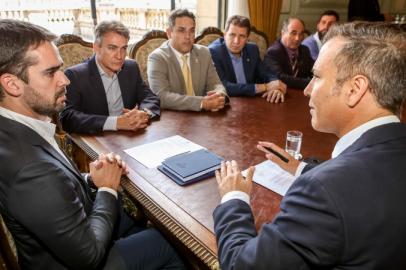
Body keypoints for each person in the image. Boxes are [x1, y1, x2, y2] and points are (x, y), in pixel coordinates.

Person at [213, 22, 406, 269]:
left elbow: (241, 264)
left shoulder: (322, 192)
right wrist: (301, 167)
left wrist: (234, 197)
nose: (306, 90)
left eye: (316, 77)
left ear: (355, 89)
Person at [0, 19, 185, 270]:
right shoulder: (28, 169)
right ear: (12, 84)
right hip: (83, 258)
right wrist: (107, 188)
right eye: (50, 72)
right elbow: (88, 256)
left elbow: (54, 185)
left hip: (76, 220)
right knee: (171, 241)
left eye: (60, 69)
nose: (64, 80)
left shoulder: (21, 127)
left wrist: (89, 178)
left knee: (145, 217)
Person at [60, 20, 160, 134]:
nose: (120, 56)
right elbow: (68, 118)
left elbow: (150, 97)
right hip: (98, 138)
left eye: (123, 48)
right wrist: (115, 123)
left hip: (131, 135)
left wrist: (144, 113)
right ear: (96, 48)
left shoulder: (131, 67)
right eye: (112, 48)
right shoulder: (75, 75)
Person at [147, 9, 228, 111]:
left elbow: (216, 84)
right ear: (169, 33)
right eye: (181, 30)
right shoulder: (157, 58)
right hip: (173, 120)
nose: (188, 36)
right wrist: (202, 103)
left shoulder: (204, 53)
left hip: (203, 118)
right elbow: (161, 97)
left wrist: (219, 95)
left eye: (192, 30)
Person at [209, 15, 287, 103]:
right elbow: (223, 86)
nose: (236, 41)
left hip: (253, 102)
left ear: (247, 38)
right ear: (225, 34)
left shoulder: (252, 49)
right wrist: (265, 87)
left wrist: (276, 86)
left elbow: (265, 73)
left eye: (242, 36)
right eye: (232, 35)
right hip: (228, 104)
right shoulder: (214, 52)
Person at [263, 18, 314, 90]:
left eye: (301, 34)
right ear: (283, 33)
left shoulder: (305, 50)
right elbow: (280, 78)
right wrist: (311, 83)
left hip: (303, 94)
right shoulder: (273, 52)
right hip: (282, 94)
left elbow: (313, 71)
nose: (297, 38)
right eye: (293, 33)